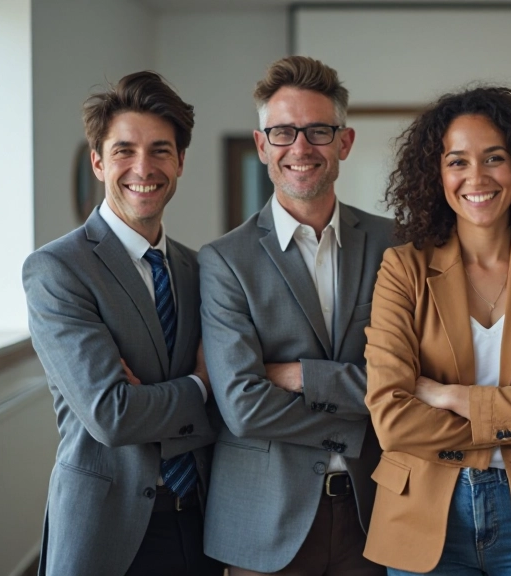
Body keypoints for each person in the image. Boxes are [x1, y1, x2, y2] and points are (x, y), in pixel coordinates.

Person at [363, 86, 511, 575]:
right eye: (457, 161)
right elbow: (391, 420)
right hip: (422, 514)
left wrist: (450, 396)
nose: (477, 177)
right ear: (436, 174)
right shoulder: (402, 268)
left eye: (494, 158)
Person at [199, 56, 393, 576]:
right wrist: (363, 416)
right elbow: (243, 407)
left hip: (374, 512)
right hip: (264, 520)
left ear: (344, 142)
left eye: (318, 131)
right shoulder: (223, 261)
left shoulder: (394, 245)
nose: (300, 148)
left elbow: (413, 380)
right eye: (282, 132)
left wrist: (297, 375)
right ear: (262, 145)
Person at [22, 71, 221, 576]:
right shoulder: (58, 269)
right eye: (123, 150)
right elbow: (112, 415)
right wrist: (200, 385)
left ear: (179, 162)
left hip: (199, 523)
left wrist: (150, 401)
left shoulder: (199, 270)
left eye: (160, 150)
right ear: (98, 161)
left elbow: (234, 398)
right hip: (105, 530)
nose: (143, 167)